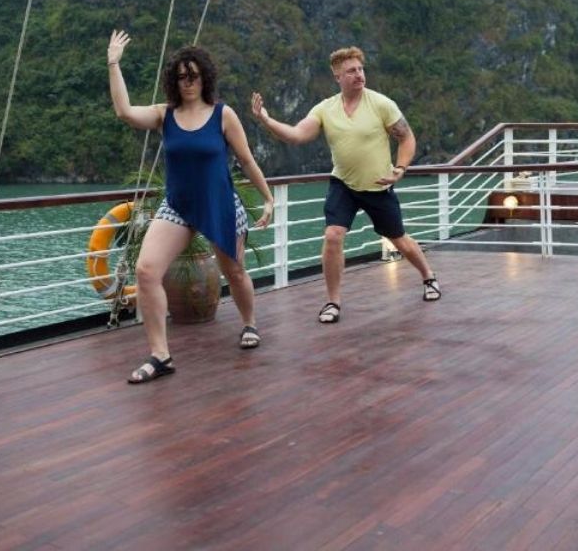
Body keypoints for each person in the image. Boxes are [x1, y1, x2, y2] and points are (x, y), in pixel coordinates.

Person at [108, 30, 273, 383]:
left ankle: (249, 323)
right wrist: (113, 64)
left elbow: (246, 160)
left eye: (194, 75)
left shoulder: (223, 115)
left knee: (235, 272)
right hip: (178, 206)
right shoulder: (164, 114)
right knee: (146, 270)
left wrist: (268, 198)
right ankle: (160, 355)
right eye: (182, 76)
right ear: (174, 80)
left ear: (205, 77)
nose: (188, 82)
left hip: (219, 203)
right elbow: (124, 112)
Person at [251, 46, 440, 324]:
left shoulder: (381, 104)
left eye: (361, 69)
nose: (359, 75)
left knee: (399, 238)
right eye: (351, 71)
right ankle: (333, 301)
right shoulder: (325, 109)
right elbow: (296, 135)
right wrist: (266, 120)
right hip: (344, 185)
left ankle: (428, 276)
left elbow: (406, 138)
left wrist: (399, 169)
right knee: (332, 235)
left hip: (378, 186)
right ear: (337, 76)